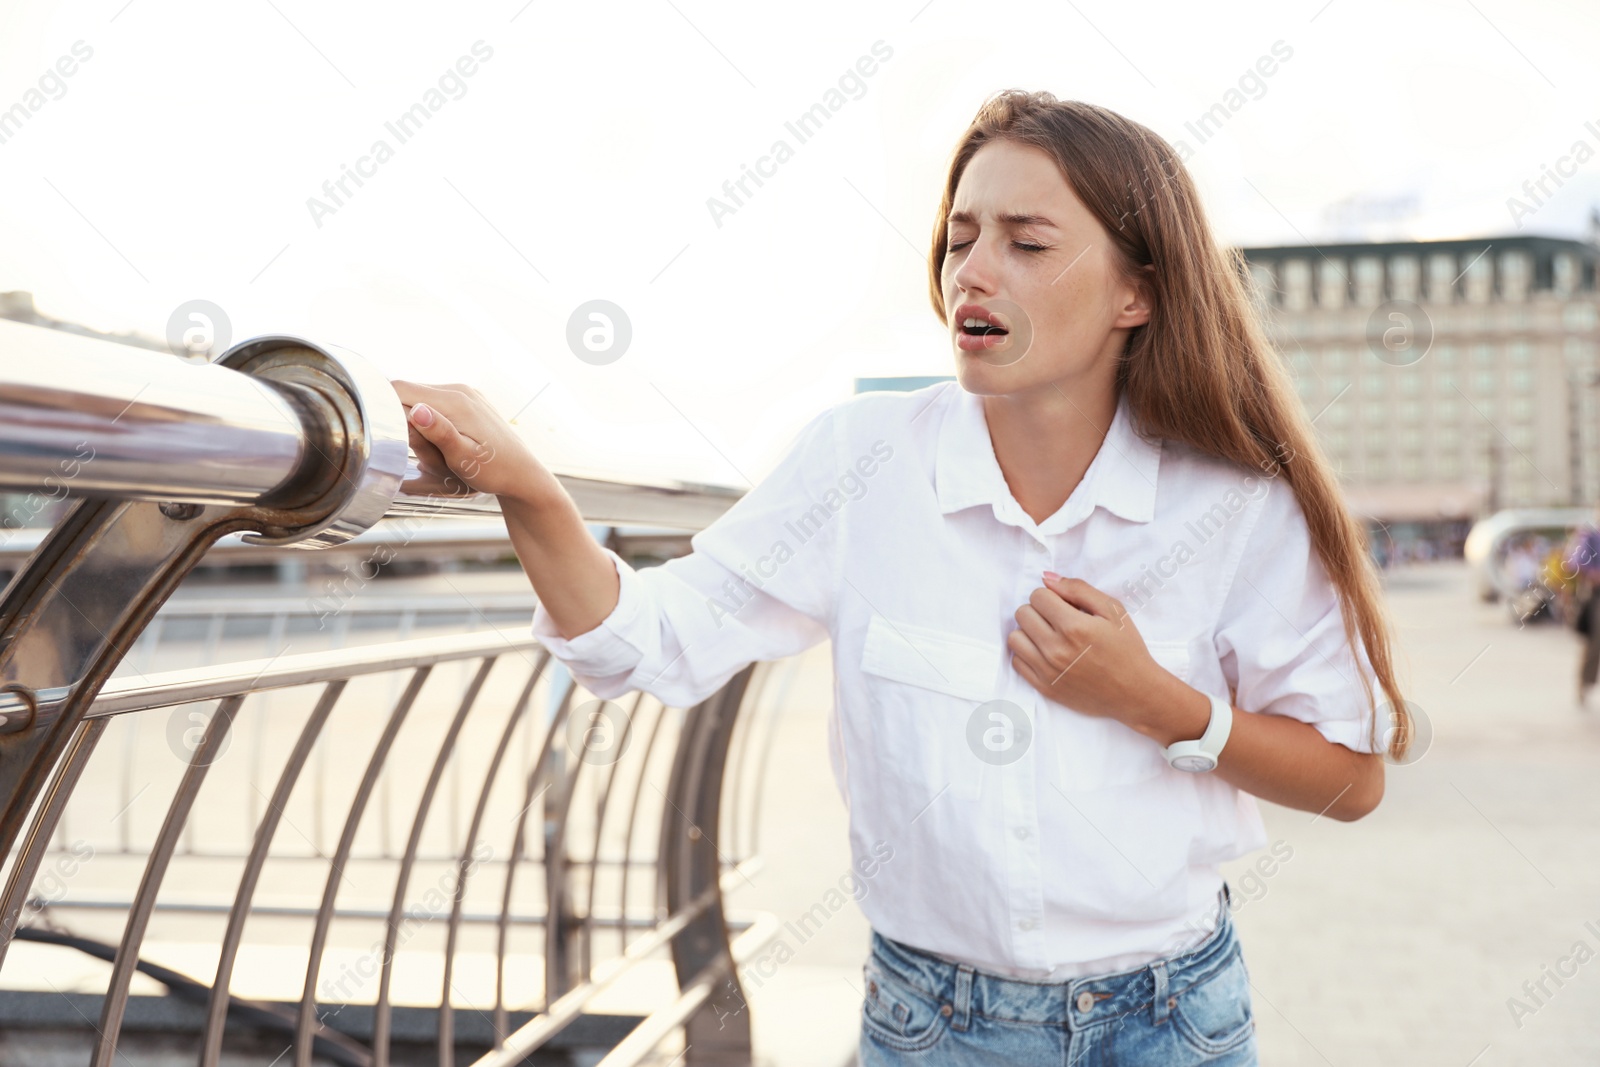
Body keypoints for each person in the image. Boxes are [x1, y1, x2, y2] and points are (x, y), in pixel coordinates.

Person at [393, 91, 1409, 1066]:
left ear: (1135, 291)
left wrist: (1155, 702)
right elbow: (641, 642)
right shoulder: (859, 461)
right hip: (935, 1028)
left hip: (1175, 1019)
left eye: (1027, 241)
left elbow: (1348, 777)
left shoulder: (1234, 506)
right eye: (960, 236)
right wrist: (524, 485)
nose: (973, 269)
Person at [1563, 508, 1600, 707]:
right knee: (1594, 643)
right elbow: (1574, 564)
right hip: (1596, 595)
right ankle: (1584, 682)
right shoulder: (1590, 537)